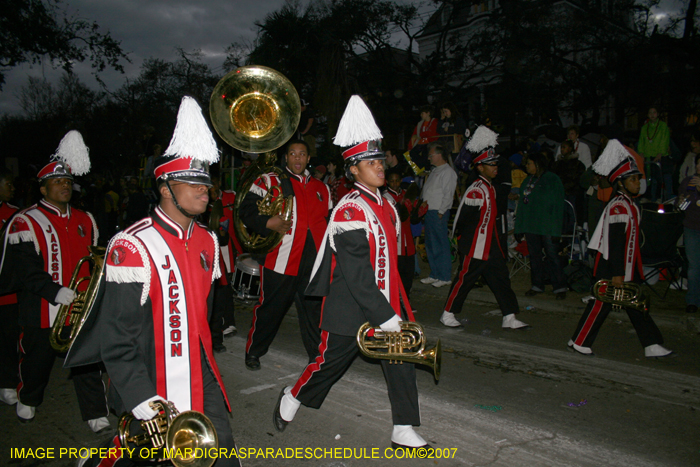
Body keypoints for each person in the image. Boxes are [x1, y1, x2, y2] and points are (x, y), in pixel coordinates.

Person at [66, 97, 240, 466]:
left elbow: (202, 315)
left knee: (220, 449)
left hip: (199, 369)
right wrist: (139, 392)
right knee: (147, 456)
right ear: (165, 189)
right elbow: (116, 334)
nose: (203, 190)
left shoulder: (208, 239)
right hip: (147, 370)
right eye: (191, 182)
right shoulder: (131, 246)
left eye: (205, 183)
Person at [274, 95, 430, 452]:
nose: (378, 166)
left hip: (385, 299)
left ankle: (403, 427)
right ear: (353, 170)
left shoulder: (385, 202)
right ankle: (294, 395)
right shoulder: (349, 210)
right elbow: (357, 274)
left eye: (378, 160)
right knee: (329, 363)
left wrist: (397, 308)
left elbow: (390, 260)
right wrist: (384, 316)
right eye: (368, 162)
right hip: (351, 304)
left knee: (401, 358)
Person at [1, 131, 110, 431]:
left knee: (87, 359)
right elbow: (26, 270)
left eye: (66, 182)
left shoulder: (86, 219)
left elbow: (96, 260)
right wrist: (54, 291)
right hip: (42, 305)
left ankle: (95, 413)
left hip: (81, 305)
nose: (64, 185)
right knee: (37, 359)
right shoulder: (25, 220)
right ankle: (29, 397)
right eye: (56, 182)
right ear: (42, 187)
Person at [569, 139, 672, 358]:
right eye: (633, 179)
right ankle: (579, 340)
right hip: (613, 264)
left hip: (625, 265)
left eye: (638, 179)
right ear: (622, 183)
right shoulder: (618, 205)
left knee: (635, 303)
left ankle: (651, 344)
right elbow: (616, 243)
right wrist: (617, 273)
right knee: (601, 303)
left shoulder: (627, 203)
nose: (638, 183)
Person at [240, 139, 332, 370]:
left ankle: (316, 356)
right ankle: (254, 352)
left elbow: (330, 222)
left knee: (314, 312)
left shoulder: (323, 188)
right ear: (286, 157)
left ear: (308, 158)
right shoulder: (270, 180)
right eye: (293, 154)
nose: (297, 158)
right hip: (280, 260)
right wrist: (267, 222)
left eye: (302, 154)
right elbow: (246, 211)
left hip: (313, 263)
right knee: (270, 309)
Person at [440, 126, 529, 329]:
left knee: (501, 279)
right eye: (491, 165)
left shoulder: (489, 187)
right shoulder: (477, 190)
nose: (495, 167)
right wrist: (465, 242)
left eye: (495, 163)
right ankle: (448, 313)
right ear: (480, 167)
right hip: (476, 245)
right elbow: (463, 220)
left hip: (492, 245)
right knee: (466, 279)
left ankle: (509, 316)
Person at [515, 152, 568, 299]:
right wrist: (519, 228)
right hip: (531, 227)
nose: (526, 166)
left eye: (529, 163)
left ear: (537, 164)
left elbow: (558, 206)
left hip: (548, 226)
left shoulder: (552, 179)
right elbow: (522, 207)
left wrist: (557, 231)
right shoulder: (527, 181)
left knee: (552, 256)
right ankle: (537, 285)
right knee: (534, 257)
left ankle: (559, 286)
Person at [419, 144, 458, 288]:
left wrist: (442, 211)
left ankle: (445, 276)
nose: (429, 158)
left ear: (439, 155)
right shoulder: (435, 171)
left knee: (440, 244)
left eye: (431, 155)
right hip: (429, 211)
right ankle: (434, 273)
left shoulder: (448, 172)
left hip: (438, 212)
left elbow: (449, 194)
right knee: (430, 243)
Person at [0, 168, 19, 406]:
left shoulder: (16, 215)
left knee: (8, 338)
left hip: (7, 293)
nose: (12, 189)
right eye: (8, 184)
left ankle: (6, 382)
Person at [383, 172, 416, 299]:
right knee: (397, 274)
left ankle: (405, 299)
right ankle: (396, 300)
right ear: (387, 182)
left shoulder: (405, 194)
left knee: (409, 273)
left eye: (397, 181)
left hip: (408, 240)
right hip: (396, 242)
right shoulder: (385, 197)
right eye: (392, 181)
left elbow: (413, 219)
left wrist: (419, 210)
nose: (395, 184)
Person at [678, 154, 700, 313]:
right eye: (698, 164)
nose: (699, 168)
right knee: (693, 267)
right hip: (692, 228)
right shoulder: (688, 182)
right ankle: (692, 301)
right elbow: (681, 205)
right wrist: (679, 202)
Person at [637, 106, 671, 202]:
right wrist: (641, 153)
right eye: (650, 113)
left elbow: (665, 140)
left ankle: (659, 197)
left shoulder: (663, 126)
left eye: (654, 112)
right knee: (647, 177)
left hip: (659, 156)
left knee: (659, 177)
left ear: (657, 114)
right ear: (648, 115)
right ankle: (646, 196)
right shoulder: (644, 128)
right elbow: (641, 141)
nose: (652, 115)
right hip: (647, 156)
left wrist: (660, 153)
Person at [408, 105, 438, 170]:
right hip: (420, 144)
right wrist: (410, 147)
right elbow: (414, 135)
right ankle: (420, 170)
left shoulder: (434, 122)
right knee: (411, 154)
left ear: (428, 113)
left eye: (422, 113)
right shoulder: (420, 124)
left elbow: (431, 134)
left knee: (425, 154)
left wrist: (421, 135)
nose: (421, 115)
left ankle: (425, 169)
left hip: (429, 143)